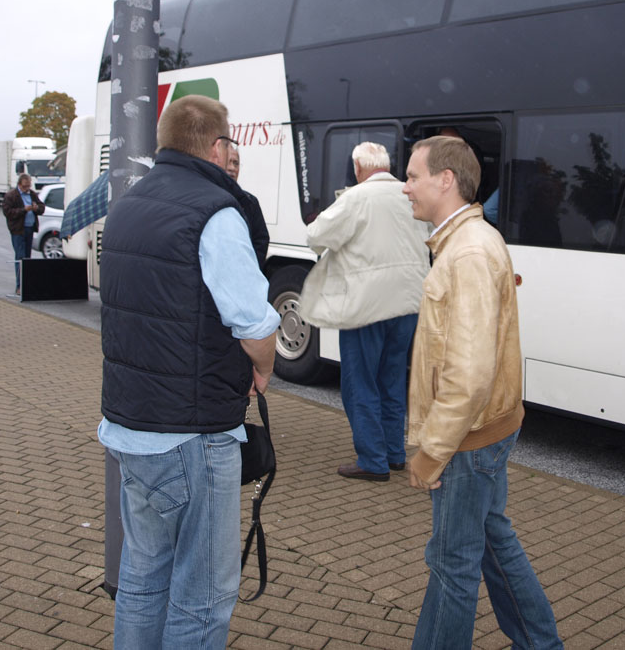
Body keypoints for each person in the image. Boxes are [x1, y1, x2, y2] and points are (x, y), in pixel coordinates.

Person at [98, 94, 279, 649]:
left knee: (141, 577)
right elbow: (255, 323)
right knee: (203, 596)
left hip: (130, 427)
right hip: (192, 435)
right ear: (218, 147)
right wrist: (263, 371)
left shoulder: (127, 204)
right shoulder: (216, 213)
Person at [402, 135, 563, 650]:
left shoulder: (467, 251)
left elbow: (469, 374)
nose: (405, 187)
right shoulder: (468, 241)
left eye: (413, 176)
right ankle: (540, 643)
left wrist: (433, 449)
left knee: (452, 563)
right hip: (484, 430)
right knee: (493, 542)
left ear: (445, 179)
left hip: (467, 439)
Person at [299, 142, 430, 481]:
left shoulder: (356, 198)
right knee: (392, 378)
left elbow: (315, 237)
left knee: (360, 381)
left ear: (358, 167)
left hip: (367, 305)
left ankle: (373, 460)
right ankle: (395, 453)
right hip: (408, 303)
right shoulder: (409, 195)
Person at [226, 143, 269, 266]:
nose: (232, 168)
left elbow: (261, 240)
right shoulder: (209, 198)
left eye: (236, 163)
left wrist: (250, 267)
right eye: (228, 162)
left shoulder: (250, 202)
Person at [1, 173, 44, 295]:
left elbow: (42, 207)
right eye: (25, 186)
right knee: (20, 257)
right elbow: (8, 212)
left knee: (27, 258)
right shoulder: (11, 195)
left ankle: (27, 285)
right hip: (18, 230)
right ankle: (19, 286)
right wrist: (23, 210)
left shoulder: (32, 194)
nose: (27, 189)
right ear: (19, 184)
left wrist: (36, 208)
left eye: (29, 186)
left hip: (30, 228)